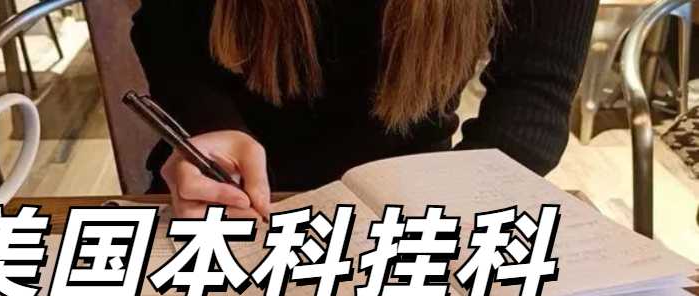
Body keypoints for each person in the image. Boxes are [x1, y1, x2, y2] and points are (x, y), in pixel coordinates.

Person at [131, 0, 599, 218]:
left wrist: (455, 206)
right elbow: (166, 31)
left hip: (421, 198)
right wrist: (208, 123)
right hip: (225, 191)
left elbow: (535, 90)